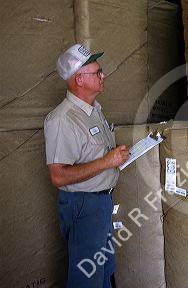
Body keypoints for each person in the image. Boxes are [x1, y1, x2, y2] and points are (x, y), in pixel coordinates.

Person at [44, 44, 129, 288]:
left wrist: (115, 158)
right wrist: (107, 161)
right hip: (83, 206)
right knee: (86, 279)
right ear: (79, 79)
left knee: (103, 273)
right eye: (97, 72)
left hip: (101, 203)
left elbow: (97, 155)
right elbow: (58, 176)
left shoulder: (93, 111)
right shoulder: (62, 119)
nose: (103, 76)